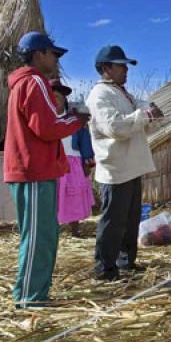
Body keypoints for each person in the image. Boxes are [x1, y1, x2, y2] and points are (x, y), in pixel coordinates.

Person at [3, 32, 87, 308]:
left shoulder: (25, 84)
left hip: (35, 170)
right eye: (53, 54)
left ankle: (36, 293)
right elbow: (47, 129)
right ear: (39, 54)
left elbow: (43, 125)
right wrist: (76, 121)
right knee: (38, 237)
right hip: (34, 171)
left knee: (45, 234)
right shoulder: (34, 82)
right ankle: (29, 297)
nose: (55, 60)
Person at [86, 45, 163, 281]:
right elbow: (115, 127)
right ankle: (104, 268)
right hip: (116, 168)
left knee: (130, 219)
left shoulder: (122, 93)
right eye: (121, 65)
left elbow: (140, 112)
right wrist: (145, 115)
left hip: (131, 166)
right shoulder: (100, 95)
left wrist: (151, 113)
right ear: (106, 68)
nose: (126, 70)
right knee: (113, 221)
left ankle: (126, 262)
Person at [51, 78, 95, 237]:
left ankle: (75, 229)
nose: (55, 101)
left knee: (74, 195)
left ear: (64, 99)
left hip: (73, 163)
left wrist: (87, 161)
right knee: (54, 196)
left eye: (58, 97)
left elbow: (84, 140)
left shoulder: (75, 120)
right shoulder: (45, 120)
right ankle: (53, 229)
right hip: (53, 164)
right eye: (51, 97)